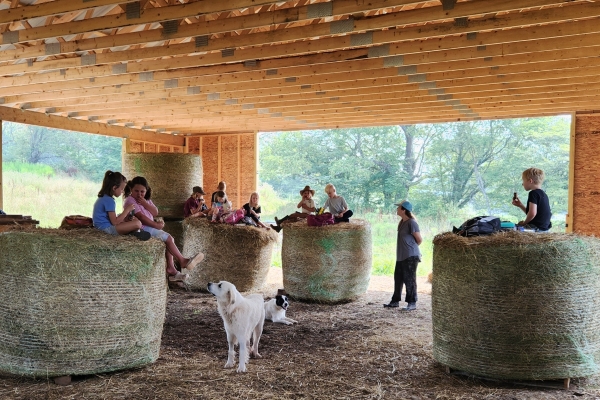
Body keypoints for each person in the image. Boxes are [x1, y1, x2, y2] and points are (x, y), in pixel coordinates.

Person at [124, 176, 204, 282]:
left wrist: (144, 203)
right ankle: (182, 261)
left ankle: (171, 268)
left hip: (148, 226)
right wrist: (155, 225)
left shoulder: (146, 200)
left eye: (142, 191)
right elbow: (141, 218)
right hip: (140, 227)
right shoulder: (130, 200)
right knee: (169, 238)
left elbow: (155, 212)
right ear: (131, 189)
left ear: (146, 190)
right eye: (136, 191)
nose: (139, 194)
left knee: (170, 240)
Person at [384, 200, 422, 311]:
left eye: (398, 207)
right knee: (398, 278)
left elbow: (419, 240)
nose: (397, 209)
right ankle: (395, 301)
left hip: (410, 256)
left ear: (403, 210)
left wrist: (410, 248)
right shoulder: (402, 222)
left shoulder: (412, 222)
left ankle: (412, 302)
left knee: (409, 279)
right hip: (401, 256)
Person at [92, 170, 151, 241]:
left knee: (130, 219)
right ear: (114, 188)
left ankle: (134, 232)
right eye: (122, 189)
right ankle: (135, 232)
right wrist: (127, 210)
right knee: (137, 223)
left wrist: (125, 218)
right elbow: (115, 222)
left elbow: (112, 219)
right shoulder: (109, 200)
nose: (122, 191)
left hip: (103, 227)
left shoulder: (104, 197)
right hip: (106, 230)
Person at [512, 167, 552, 231]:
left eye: (523, 180)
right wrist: (520, 205)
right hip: (544, 229)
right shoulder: (544, 194)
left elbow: (532, 213)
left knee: (511, 229)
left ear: (530, 181)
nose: (522, 184)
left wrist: (524, 223)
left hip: (535, 228)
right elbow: (534, 214)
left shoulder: (533, 193)